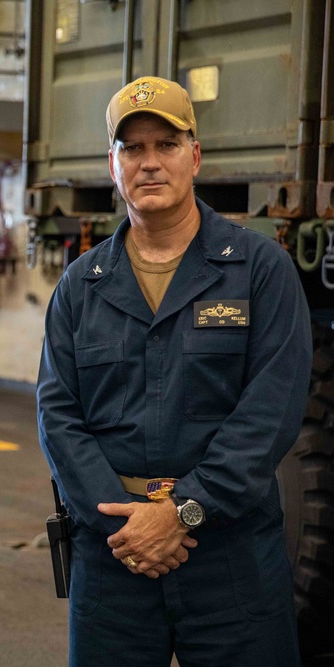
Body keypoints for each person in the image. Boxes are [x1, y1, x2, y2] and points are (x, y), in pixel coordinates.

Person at [36, 75, 312, 665]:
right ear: (113, 165)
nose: (150, 162)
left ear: (196, 155)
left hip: (229, 557)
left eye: (166, 144)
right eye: (132, 148)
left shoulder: (260, 269)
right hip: (116, 553)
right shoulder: (81, 286)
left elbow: (272, 410)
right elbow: (57, 414)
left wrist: (185, 510)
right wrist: (128, 527)